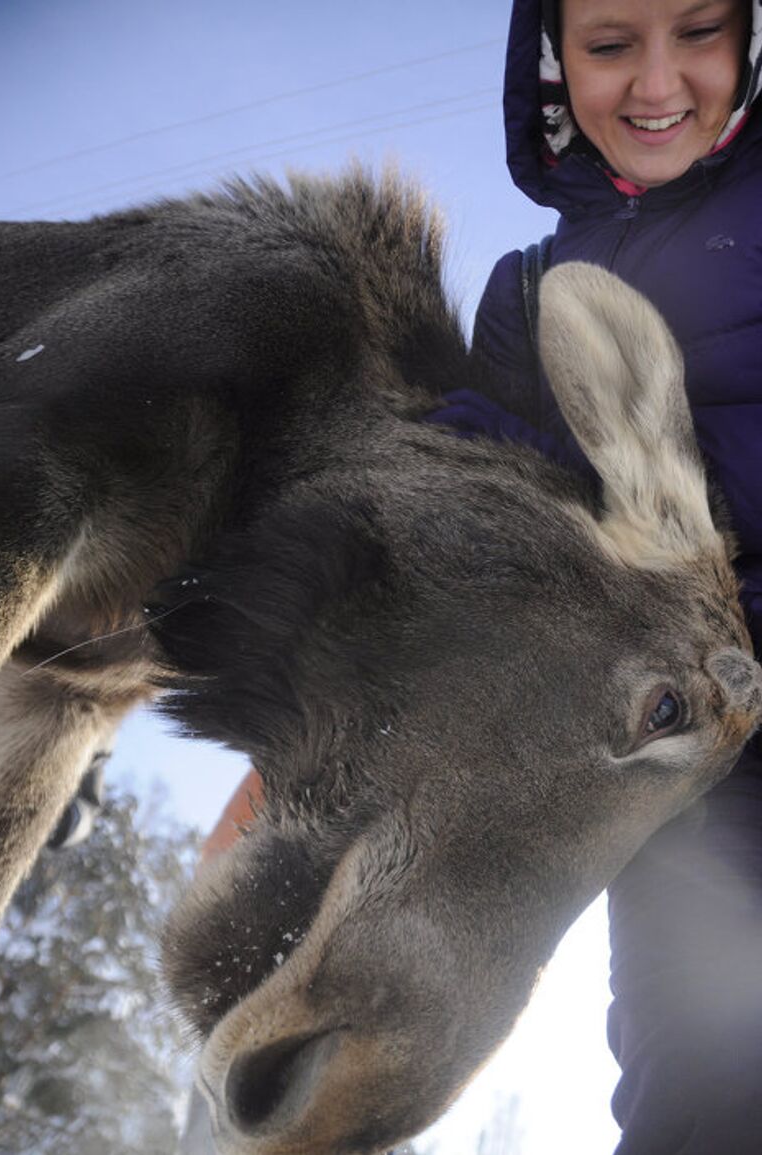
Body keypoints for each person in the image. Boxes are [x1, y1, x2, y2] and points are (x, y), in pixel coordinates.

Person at [461, 1, 762, 1151]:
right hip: (682, 760)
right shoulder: (528, 288)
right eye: (607, 43)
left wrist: (652, 495)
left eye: (698, 31)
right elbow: (492, 532)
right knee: (700, 1078)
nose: (656, 83)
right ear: (552, 60)